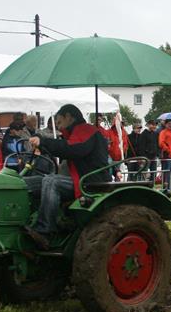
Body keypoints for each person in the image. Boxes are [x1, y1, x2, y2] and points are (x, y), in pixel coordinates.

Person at [23, 104, 111, 248]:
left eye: (59, 122)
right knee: (23, 183)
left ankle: (44, 231)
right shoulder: (73, 133)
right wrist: (41, 144)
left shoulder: (86, 130)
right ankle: (22, 225)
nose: (58, 126)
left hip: (89, 181)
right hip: (76, 178)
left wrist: (43, 141)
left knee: (51, 181)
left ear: (69, 117)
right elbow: (63, 145)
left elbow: (72, 149)